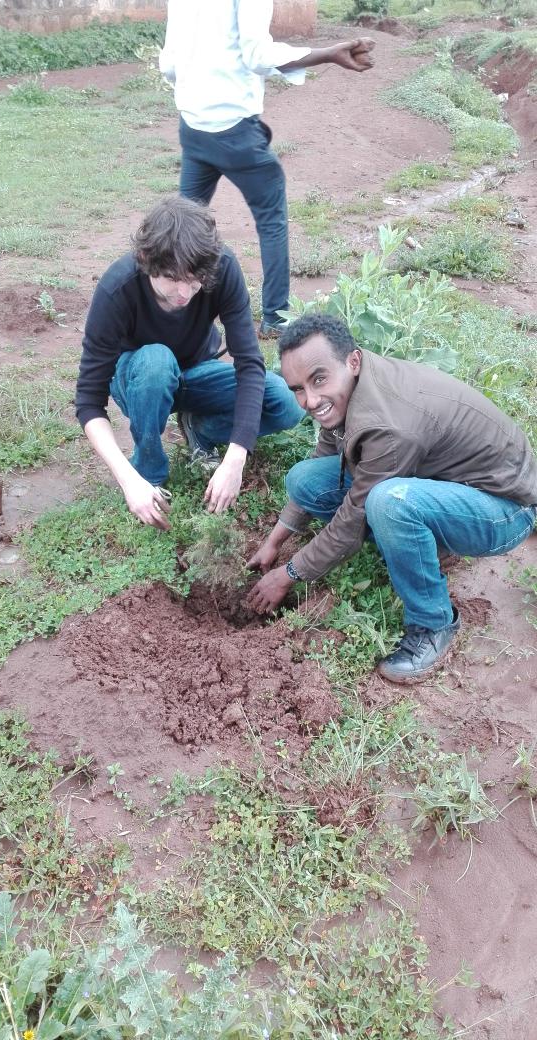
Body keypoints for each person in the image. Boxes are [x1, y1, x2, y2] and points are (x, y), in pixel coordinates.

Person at [247, 314, 537, 683]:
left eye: (318, 379)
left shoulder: (388, 424)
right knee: (305, 479)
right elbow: (324, 458)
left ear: (352, 361)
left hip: (503, 508)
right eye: (297, 388)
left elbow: (351, 521)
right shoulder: (350, 389)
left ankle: (434, 624)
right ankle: (420, 544)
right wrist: (275, 541)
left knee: (389, 502)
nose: (310, 399)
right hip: (446, 483)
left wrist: (288, 575)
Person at [75, 196, 304, 530]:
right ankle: (149, 474)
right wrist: (128, 480)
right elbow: (88, 402)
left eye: (195, 279)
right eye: (171, 278)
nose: (184, 292)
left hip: (196, 373)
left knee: (285, 403)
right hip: (139, 378)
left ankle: (200, 427)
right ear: (145, 259)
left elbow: (250, 365)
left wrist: (235, 457)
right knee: (156, 361)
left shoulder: (222, 268)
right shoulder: (117, 288)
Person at [159, 0, 375, 337]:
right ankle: (275, 315)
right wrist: (329, 54)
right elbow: (257, 56)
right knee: (271, 220)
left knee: (184, 224)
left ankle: (172, 306)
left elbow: (169, 64)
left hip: (193, 124)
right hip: (235, 131)